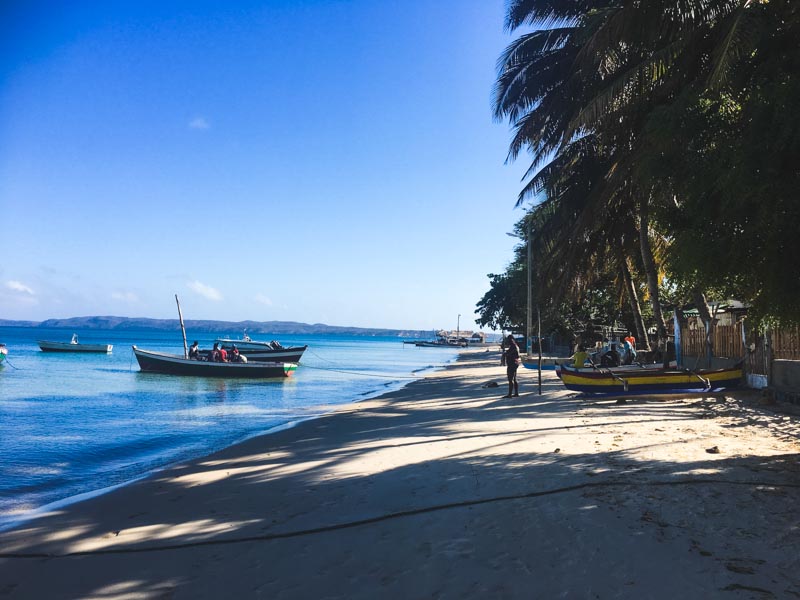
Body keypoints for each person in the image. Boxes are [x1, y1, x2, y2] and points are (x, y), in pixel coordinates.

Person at [502, 334, 521, 398]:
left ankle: (510, 394)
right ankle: (516, 393)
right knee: (514, 379)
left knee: (510, 379)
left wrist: (505, 353)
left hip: (512, 364)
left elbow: (509, 354)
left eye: (508, 340)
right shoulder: (515, 346)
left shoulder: (513, 346)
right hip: (515, 363)